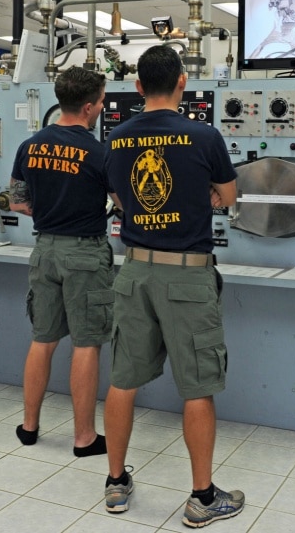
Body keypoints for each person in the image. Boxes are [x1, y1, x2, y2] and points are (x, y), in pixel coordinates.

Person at [102, 46, 244, 528]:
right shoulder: (204, 136)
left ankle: (116, 483)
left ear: (137, 87)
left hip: (134, 271)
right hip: (186, 274)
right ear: (183, 83)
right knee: (197, 385)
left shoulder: (116, 138)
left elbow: (122, 200)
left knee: (123, 380)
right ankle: (202, 497)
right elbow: (227, 197)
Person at [8, 66, 113, 457]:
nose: (103, 107)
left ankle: (29, 426)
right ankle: (84, 437)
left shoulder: (30, 146)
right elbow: (122, 203)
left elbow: (18, 201)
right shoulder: (99, 152)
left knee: (43, 339)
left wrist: (50, 212)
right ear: (88, 107)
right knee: (86, 344)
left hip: (45, 251)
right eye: (102, 101)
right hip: (84, 253)